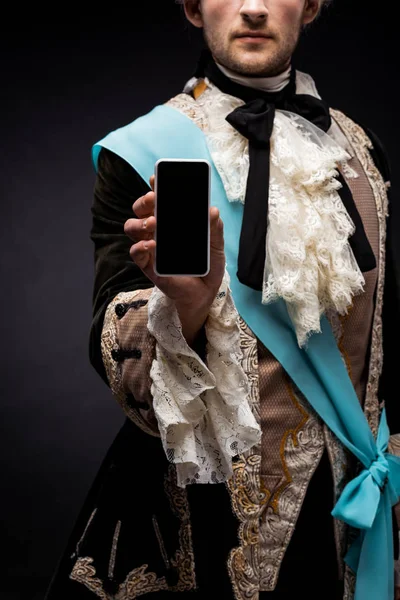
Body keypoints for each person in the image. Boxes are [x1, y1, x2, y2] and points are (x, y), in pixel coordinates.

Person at [44, 1, 400, 599]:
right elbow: (111, 348)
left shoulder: (361, 150)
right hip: (200, 505)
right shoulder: (139, 151)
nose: (254, 8)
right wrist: (186, 305)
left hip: (345, 499)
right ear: (192, 6)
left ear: (311, 6)